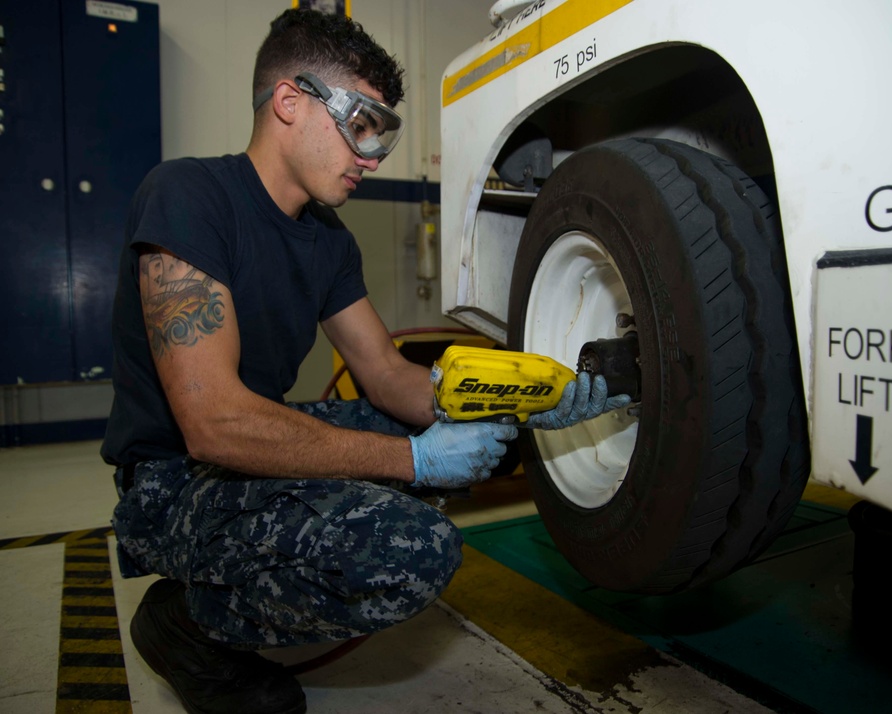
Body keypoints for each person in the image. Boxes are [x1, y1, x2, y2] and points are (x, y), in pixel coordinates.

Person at [101, 8, 628, 714]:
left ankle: (230, 577)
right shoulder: (189, 196)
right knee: (413, 553)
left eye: (384, 132)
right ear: (289, 102)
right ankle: (191, 628)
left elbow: (387, 375)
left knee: (440, 442)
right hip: (170, 482)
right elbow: (215, 423)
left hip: (245, 452)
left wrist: (528, 398)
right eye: (361, 123)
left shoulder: (327, 241)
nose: (374, 155)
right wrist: (415, 462)